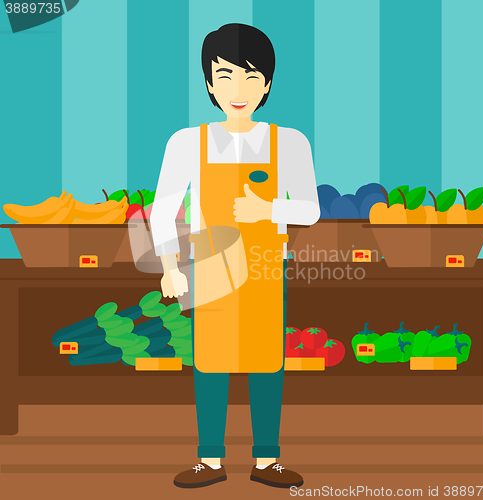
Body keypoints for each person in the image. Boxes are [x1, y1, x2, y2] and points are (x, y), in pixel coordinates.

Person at [150, 23, 319, 489]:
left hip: (267, 262)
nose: (237, 90)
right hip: (209, 262)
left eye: (250, 77)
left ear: (266, 83)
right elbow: (163, 210)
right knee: (211, 359)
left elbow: (310, 208)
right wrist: (168, 267)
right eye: (224, 77)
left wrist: (270, 208)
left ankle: (267, 459)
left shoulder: (291, 143)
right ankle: (209, 458)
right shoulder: (187, 143)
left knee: (267, 358)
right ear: (208, 83)